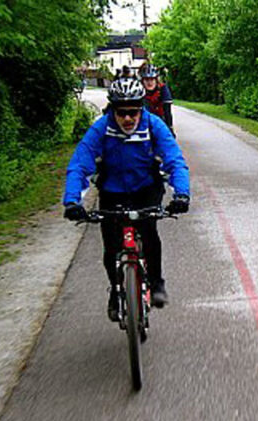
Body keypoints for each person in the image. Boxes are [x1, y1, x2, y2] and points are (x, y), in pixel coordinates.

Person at [62, 78, 191, 320]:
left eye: (134, 112)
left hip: (146, 188)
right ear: (113, 110)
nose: (128, 119)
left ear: (141, 108)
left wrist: (182, 194)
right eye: (122, 113)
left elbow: (175, 160)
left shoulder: (154, 125)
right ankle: (115, 290)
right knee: (110, 246)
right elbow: (80, 164)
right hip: (112, 190)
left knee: (149, 233)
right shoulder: (101, 129)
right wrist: (72, 201)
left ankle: (156, 282)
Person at [139, 64, 175, 135]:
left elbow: (167, 111)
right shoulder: (139, 90)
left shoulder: (163, 89)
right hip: (143, 122)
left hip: (160, 121)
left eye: (152, 79)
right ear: (142, 80)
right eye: (147, 79)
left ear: (156, 80)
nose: (149, 82)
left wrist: (170, 128)